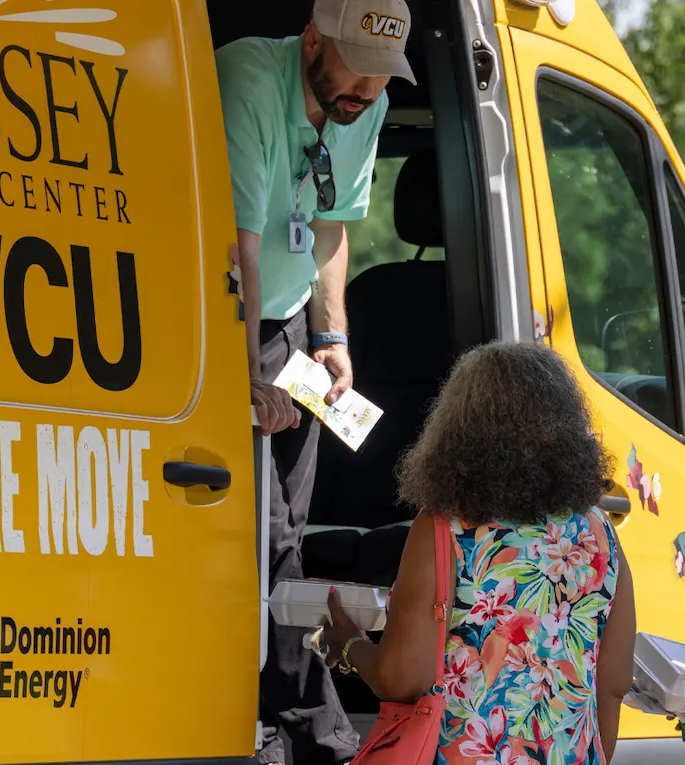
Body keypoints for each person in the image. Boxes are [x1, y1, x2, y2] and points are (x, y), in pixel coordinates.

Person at [215, 1, 416, 762]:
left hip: (292, 324)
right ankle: (315, 734)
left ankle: (284, 722)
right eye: (354, 65)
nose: (365, 88)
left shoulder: (369, 100)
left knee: (286, 538)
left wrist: (332, 337)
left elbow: (332, 223)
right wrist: (245, 374)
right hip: (229, 314)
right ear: (310, 42)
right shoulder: (248, 77)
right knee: (260, 538)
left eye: (381, 72)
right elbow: (238, 249)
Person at [319, 342, 637, 765]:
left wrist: (347, 645)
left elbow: (402, 677)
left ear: (459, 430)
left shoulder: (444, 530)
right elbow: (613, 683)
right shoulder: (600, 533)